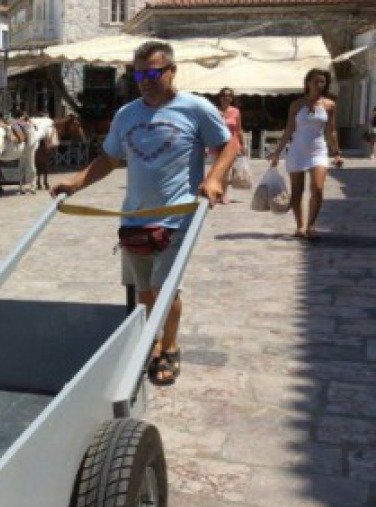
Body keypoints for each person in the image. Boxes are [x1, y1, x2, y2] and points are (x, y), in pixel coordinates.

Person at [50, 41, 235, 385]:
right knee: (144, 290)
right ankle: (152, 340)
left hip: (177, 213)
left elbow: (229, 144)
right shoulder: (127, 114)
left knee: (165, 287)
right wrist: (75, 184)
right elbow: (109, 158)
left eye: (153, 72)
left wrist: (213, 179)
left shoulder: (195, 108)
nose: (146, 80)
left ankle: (170, 347)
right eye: (139, 74)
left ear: (171, 71)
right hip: (134, 216)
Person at [269, 69, 342, 240]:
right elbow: (289, 130)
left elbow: (331, 131)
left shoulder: (329, 105)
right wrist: (277, 153)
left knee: (317, 188)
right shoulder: (296, 105)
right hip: (297, 151)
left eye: (322, 82)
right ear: (308, 83)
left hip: (318, 150)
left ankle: (311, 226)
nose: (319, 85)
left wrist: (337, 153)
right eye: (315, 81)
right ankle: (300, 225)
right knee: (297, 191)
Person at [215, 87, 244, 204]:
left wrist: (242, 146)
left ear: (231, 98)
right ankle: (217, 193)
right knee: (217, 171)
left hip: (231, 145)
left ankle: (223, 194)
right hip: (217, 144)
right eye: (224, 95)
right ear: (220, 97)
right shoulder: (215, 111)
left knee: (227, 171)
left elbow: (239, 129)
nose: (226, 98)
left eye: (229, 95)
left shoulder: (236, 111)